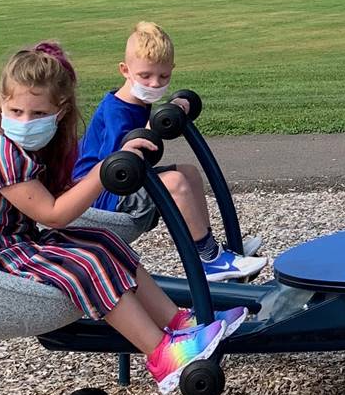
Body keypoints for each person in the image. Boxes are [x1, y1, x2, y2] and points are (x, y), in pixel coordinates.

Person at [0, 41, 246, 394]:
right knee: (85, 263)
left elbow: (59, 194)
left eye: (38, 115)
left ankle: (180, 322)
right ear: (1, 104)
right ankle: (161, 355)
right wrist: (103, 171)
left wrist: (118, 156)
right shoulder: (1, 152)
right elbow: (53, 215)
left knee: (102, 241)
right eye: (16, 111)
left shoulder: (38, 146)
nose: (26, 122)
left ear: (60, 111)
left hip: (13, 238)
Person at [73, 20, 266, 278]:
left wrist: (175, 105)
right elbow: (116, 166)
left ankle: (206, 250)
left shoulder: (138, 102)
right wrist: (153, 125)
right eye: (145, 76)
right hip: (100, 197)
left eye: (163, 76)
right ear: (125, 70)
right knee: (174, 181)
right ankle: (211, 260)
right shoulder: (115, 110)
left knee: (189, 172)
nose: (154, 84)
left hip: (121, 186)